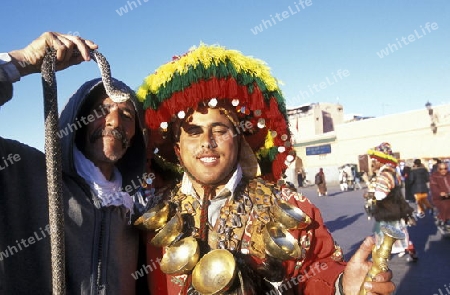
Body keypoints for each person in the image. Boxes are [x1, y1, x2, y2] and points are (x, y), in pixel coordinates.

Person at [135, 44, 395, 294]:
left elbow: (316, 269)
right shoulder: (151, 214)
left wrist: (341, 285)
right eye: (193, 132)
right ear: (178, 149)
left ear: (239, 142)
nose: (207, 142)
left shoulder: (289, 205)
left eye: (220, 130)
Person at [0, 32, 148, 294]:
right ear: (77, 120)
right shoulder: (24, 174)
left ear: (136, 134)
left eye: (126, 115)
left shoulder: (136, 213)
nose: (114, 122)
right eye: (101, 111)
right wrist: (22, 61)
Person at [364, 142, 418, 262]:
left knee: (385, 234)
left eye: (375, 160)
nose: (373, 163)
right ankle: (410, 250)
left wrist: (369, 193)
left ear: (381, 160)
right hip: (396, 208)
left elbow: (380, 195)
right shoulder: (393, 172)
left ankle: (384, 256)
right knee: (399, 232)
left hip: (387, 210)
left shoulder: (384, 174)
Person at [429, 162, 450, 229]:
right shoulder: (434, 176)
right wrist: (440, 193)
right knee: (446, 206)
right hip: (439, 198)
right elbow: (433, 187)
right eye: (441, 169)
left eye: (445, 168)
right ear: (438, 169)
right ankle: (444, 220)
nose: (443, 170)